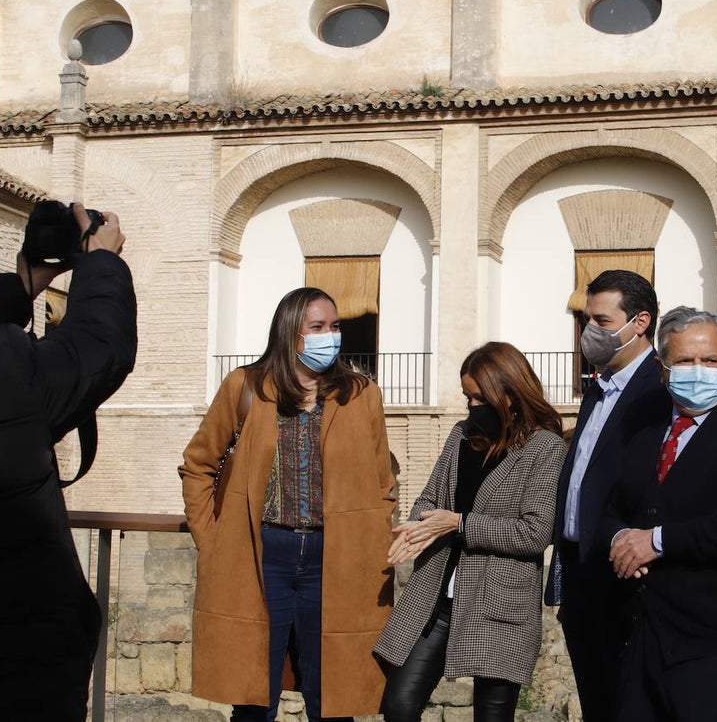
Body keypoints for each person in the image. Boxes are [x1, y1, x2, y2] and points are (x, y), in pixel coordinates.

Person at [179, 287, 395, 721]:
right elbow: (198, 465)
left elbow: (382, 482)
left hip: (334, 559)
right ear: (290, 333)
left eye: (334, 327)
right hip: (262, 555)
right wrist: (214, 539)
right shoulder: (247, 386)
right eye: (317, 327)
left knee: (333, 697)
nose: (329, 336)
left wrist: (370, 540)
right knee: (254, 695)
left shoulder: (360, 394)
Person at [0, 204, 136, 721]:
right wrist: (99, 262)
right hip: (18, 659)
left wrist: (24, 284)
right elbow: (98, 345)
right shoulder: (3, 369)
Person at [598, 306, 717, 722]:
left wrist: (657, 541)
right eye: (685, 361)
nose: (698, 370)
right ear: (661, 367)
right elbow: (613, 504)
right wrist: (619, 539)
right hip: (642, 640)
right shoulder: (644, 432)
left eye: (710, 361)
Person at [375, 341, 567, 722]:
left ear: (510, 394)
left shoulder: (545, 448)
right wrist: (422, 525)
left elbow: (535, 532)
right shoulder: (461, 435)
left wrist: (458, 523)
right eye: (468, 397)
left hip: (499, 602)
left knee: (492, 717)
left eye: (481, 398)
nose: (473, 407)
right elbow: (426, 501)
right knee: (398, 705)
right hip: (437, 597)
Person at [545, 269, 669, 721]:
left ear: (639, 322)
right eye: (586, 319)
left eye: (600, 320)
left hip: (627, 578)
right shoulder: (598, 387)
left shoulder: (661, 390)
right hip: (583, 577)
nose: (589, 331)